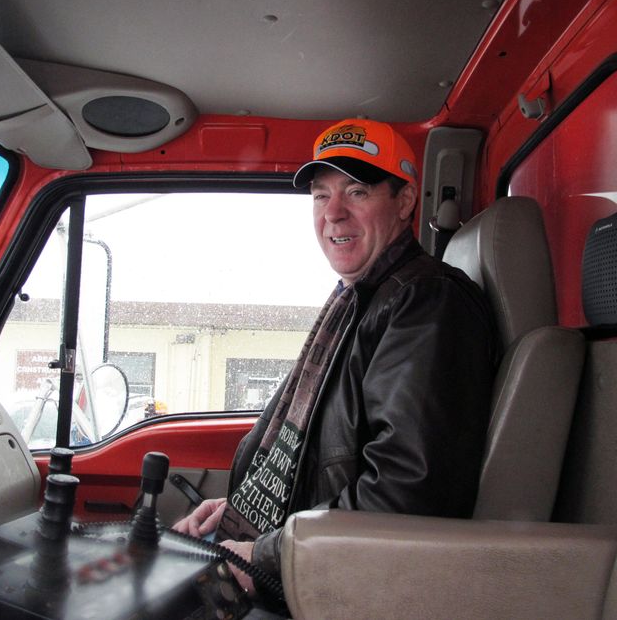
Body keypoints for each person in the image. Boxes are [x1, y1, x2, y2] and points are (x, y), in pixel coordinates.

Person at [174, 118, 498, 595]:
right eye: (321, 196)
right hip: (320, 562)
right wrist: (241, 513)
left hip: (344, 588)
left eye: (358, 192)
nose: (334, 214)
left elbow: (405, 493)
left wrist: (265, 553)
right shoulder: (359, 301)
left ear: (405, 200)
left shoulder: (425, 302)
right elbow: (327, 458)